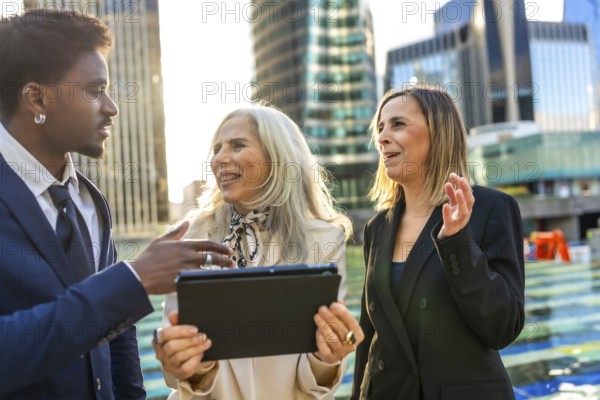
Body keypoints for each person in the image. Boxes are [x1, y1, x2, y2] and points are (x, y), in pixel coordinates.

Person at [0, 9, 234, 399]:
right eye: (94, 90)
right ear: (37, 97)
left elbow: (118, 340)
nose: (112, 106)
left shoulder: (92, 201)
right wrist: (135, 279)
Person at [152, 104, 365, 399]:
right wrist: (190, 365)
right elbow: (174, 376)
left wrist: (329, 358)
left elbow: (322, 373)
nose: (219, 158)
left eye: (237, 145)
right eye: (217, 148)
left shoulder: (325, 239)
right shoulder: (189, 237)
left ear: (277, 158)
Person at [351, 86, 525, 400]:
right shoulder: (377, 227)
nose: (383, 137)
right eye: (380, 128)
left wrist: (457, 241)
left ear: (438, 132)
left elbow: (502, 327)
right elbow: (369, 336)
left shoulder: (490, 208)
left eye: (398, 124)